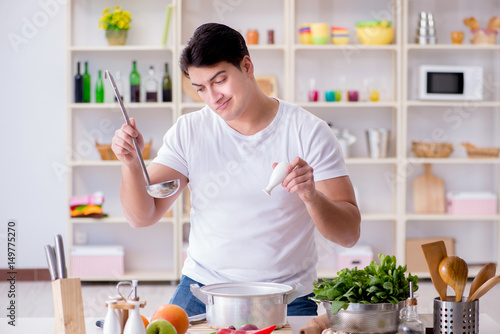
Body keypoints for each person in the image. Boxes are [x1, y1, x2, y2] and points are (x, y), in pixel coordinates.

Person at [111, 23, 361, 317]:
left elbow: (349, 234)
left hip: (286, 296)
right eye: (200, 88)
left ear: (246, 66)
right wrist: (130, 164)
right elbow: (142, 216)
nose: (212, 97)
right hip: (204, 289)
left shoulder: (308, 131)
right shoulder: (190, 131)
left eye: (219, 80)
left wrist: (311, 196)